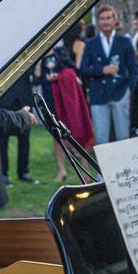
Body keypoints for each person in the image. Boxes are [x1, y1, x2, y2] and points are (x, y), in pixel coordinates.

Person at [38, 23, 94, 182]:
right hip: (51, 98)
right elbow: (36, 77)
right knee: (56, 135)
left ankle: (86, 169)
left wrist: (59, 77)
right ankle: (61, 170)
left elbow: (73, 71)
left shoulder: (60, 52)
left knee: (79, 129)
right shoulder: (40, 55)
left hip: (68, 97)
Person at [81, 4, 137, 144]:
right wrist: (102, 70)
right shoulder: (90, 44)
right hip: (98, 94)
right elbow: (83, 69)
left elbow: (133, 69)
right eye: (102, 18)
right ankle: (105, 166)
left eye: (108, 18)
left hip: (120, 92)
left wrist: (129, 90)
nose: (105, 21)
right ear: (98, 21)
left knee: (123, 138)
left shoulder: (124, 42)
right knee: (101, 139)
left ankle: (125, 166)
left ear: (114, 20)